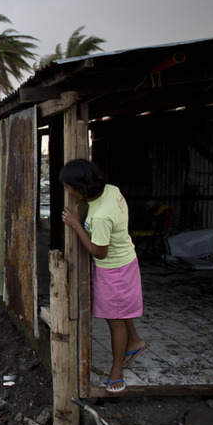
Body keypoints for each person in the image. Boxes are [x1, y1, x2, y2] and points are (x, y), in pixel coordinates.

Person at [60, 159, 150, 393]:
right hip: (126, 259)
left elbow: (99, 252)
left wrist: (76, 225)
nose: (66, 190)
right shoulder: (111, 190)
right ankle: (135, 341)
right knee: (121, 311)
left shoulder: (100, 216)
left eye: (68, 186)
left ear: (80, 186)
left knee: (114, 321)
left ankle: (116, 371)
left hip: (114, 270)